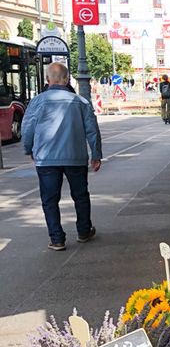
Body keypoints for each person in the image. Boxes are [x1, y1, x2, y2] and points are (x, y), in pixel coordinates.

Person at [21, 61, 102, 251]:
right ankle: (84, 231)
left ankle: (57, 239)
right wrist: (96, 155)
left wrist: (28, 149)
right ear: (67, 80)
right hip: (75, 157)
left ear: (48, 80)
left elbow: (27, 128)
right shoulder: (81, 102)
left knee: (49, 199)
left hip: (46, 158)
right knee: (80, 195)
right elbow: (92, 131)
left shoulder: (37, 102)